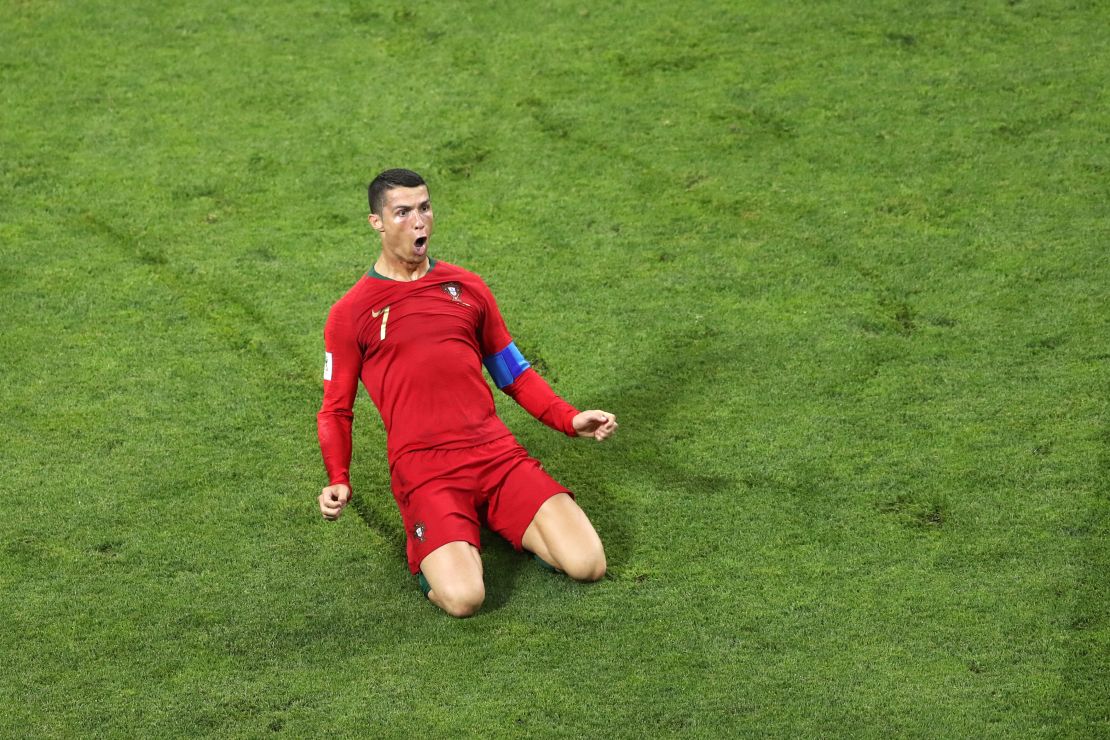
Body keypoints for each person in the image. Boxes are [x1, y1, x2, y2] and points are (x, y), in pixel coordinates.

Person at [316, 168, 618, 618]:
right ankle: (440, 551)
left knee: (588, 564)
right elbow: (335, 410)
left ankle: (497, 522)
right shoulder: (351, 312)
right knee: (464, 599)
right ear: (376, 222)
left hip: (495, 454)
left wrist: (568, 419)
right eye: (403, 212)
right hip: (425, 470)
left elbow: (513, 373)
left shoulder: (468, 288)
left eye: (424, 208)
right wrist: (338, 477)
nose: (419, 221)